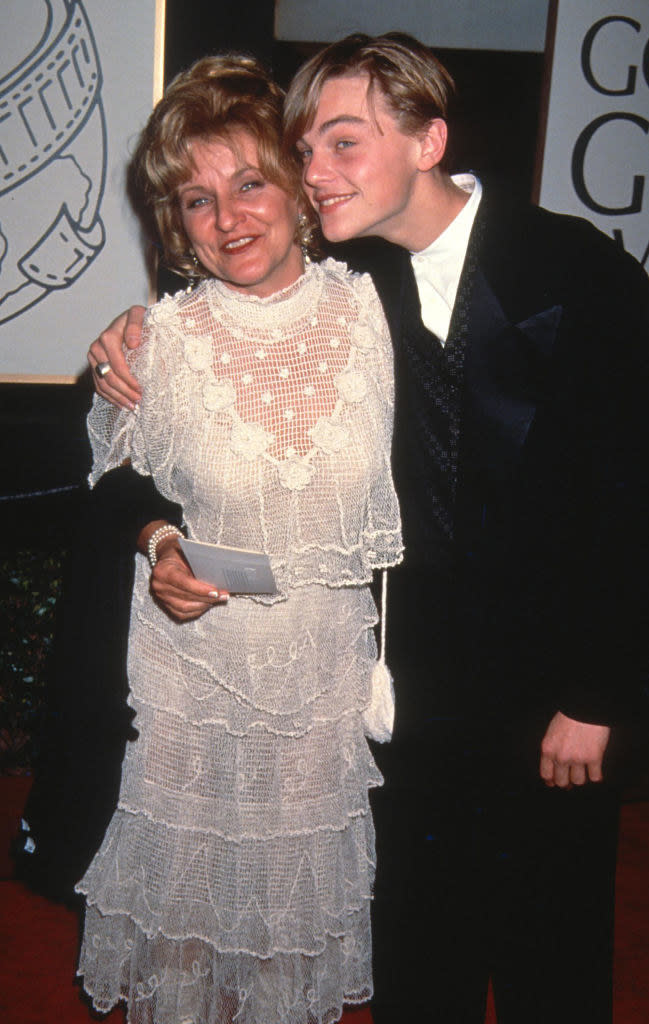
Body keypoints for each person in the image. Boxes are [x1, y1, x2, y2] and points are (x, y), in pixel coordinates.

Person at [88, 33, 649, 1024]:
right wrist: (127, 341)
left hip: (546, 686)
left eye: (342, 144)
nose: (314, 173)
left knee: (549, 957)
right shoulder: (356, 282)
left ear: (428, 139)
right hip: (405, 695)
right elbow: (233, 328)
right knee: (417, 960)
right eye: (304, 149)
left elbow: (629, 494)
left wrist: (597, 691)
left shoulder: (576, 269)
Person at [76, 53, 403, 1024]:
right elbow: (113, 485)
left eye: (250, 181)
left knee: (283, 932)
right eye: (195, 199)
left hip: (321, 681)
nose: (228, 218)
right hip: (193, 672)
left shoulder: (374, 310)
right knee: (184, 918)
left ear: (298, 187)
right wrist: (156, 543)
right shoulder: (157, 341)